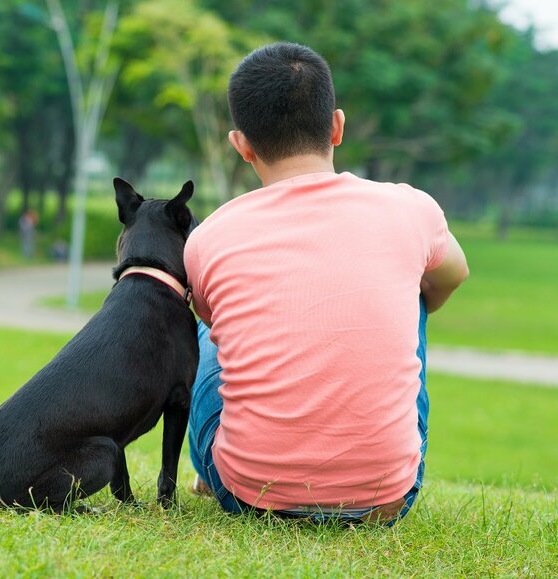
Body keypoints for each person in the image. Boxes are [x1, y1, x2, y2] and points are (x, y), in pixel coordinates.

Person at [184, 42, 469, 526]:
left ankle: (217, 468)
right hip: (388, 499)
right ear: (336, 126)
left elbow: (219, 327)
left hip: (249, 493)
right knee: (417, 286)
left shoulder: (209, 237)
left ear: (242, 145)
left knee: (206, 333)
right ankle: (369, 462)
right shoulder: (411, 208)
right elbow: (453, 275)